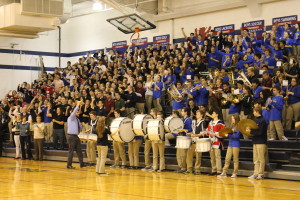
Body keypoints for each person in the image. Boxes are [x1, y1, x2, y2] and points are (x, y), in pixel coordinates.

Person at [247, 107, 268, 180]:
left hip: (261, 142)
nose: (253, 112)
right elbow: (253, 130)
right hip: (255, 141)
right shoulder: (254, 120)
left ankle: (261, 174)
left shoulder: (262, 121)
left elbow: (260, 132)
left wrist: (251, 131)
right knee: (255, 159)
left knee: (261, 159)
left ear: (257, 111)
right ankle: (255, 173)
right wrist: (249, 130)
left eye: (254, 111)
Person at [66, 100, 86, 169]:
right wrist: (78, 104)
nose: (77, 112)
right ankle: (69, 165)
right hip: (71, 136)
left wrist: (83, 127)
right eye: (75, 111)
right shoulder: (71, 118)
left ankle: (82, 164)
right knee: (71, 151)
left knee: (79, 150)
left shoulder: (77, 120)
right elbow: (74, 112)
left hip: (76, 136)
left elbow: (79, 128)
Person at [186, 110, 206, 174]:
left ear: (201, 115)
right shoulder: (194, 122)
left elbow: (203, 133)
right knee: (189, 155)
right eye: (196, 113)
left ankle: (197, 169)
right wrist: (190, 133)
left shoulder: (202, 122)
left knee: (198, 156)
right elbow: (193, 131)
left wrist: (195, 135)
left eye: (198, 114)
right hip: (193, 141)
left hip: (199, 141)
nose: (196, 114)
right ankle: (189, 169)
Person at [206, 109, 225, 175]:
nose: (212, 114)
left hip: (217, 141)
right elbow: (208, 130)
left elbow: (223, 132)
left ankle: (219, 170)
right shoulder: (210, 122)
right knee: (212, 156)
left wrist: (216, 134)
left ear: (217, 114)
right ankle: (214, 169)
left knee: (217, 156)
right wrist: (207, 132)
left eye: (213, 113)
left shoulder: (220, 123)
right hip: (211, 141)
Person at [176, 107, 193, 173]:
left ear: (186, 112)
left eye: (182, 111)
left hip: (185, 138)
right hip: (180, 137)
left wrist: (183, 130)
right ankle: (181, 167)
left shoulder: (188, 120)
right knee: (179, 154)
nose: (181, 112)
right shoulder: (182, 119)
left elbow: (190, 130)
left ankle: (184, 167)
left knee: (183, 154)